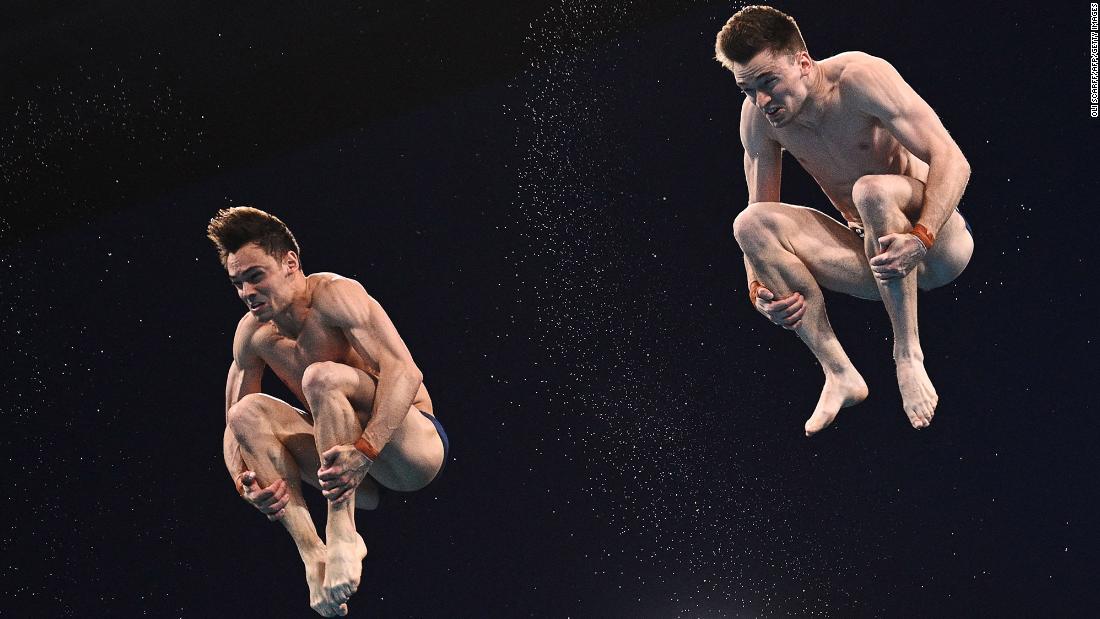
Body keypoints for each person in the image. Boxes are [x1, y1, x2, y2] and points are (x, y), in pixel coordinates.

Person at [714, 6, 974, 436]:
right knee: (748, 226)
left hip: (937, 243)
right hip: (879, 263)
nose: (762, 101)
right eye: (747, 90)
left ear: (802, 62)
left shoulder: (859, 77)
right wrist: (759, 290)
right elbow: (760, 211)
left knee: (871, 190)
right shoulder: (758, 120)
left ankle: (908, 355)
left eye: (768, 83)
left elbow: (954, 160)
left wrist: (923, 236)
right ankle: (838, 373)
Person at [206, 206, 449, 616]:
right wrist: (244, 483)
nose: (247, 293)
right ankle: (313, 555)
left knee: (321, 377)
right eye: (237, 284)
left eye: (255, 276)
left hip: (409, 451)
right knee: (246, 413)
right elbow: (234, 424)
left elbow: (404, 371)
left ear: (290, 263)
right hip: (348, 470)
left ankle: (341, 532)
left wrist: (367, 449)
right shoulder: (252, 335)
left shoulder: (336, 296)